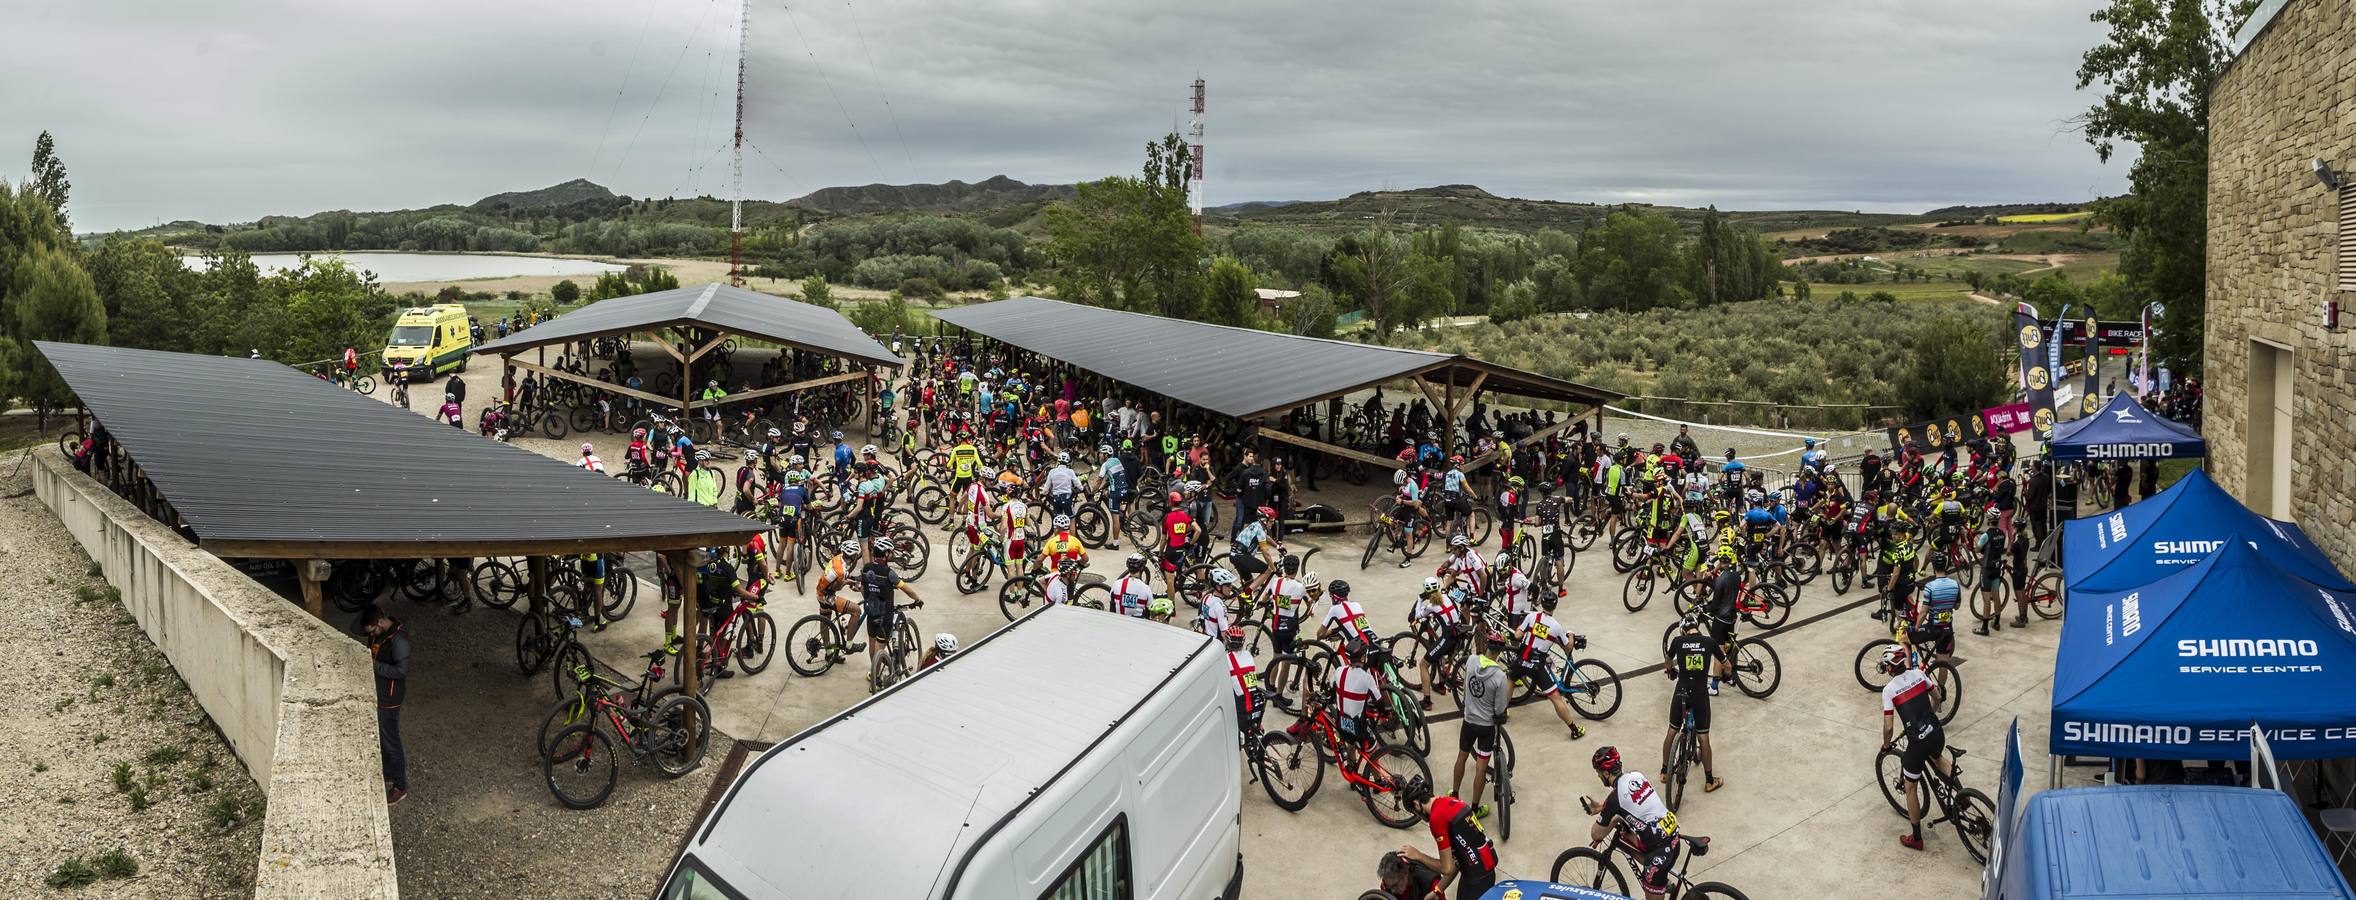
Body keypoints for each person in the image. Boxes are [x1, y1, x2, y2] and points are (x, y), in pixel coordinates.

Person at [1582, 746, 1696, 900]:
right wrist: (1603, 807)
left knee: (1649, 856)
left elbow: (1596, 833)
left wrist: (1611, 817)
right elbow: (1636, 802)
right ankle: (1662, 881)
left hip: (1659, 853)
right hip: (1673, 837)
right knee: (1627, 837)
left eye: (1598, 773)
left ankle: (1658, 879)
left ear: (1606, 773)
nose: (1599, 777)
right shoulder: (1637, 776)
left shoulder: (1615, 799)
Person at [1880, 645, 1952, 851]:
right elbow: (1938, 698)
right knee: (1938, 758)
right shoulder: (1920, 674)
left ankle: (1917, 838)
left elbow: (1889, 727)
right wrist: (1930, 717)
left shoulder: (1889, 690)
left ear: (1889, 668)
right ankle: (1961, 795)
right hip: (1936, 731)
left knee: (1910, 788)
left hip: (1918, 742)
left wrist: (1886, 745)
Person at [1394, 777, 1500, 900]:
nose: (1418, 816)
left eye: (1414, 813)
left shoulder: (1436, 819)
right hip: (1483, 870)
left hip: (1476, 879)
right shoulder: (1452, 801)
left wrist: (1418, 855)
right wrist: (1438, 890)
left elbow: (1446, 868)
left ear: (1416, 804)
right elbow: (1458, 859)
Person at [1509, 593, 1589, 739]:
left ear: (1542, 604)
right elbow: (1568, 647)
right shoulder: (1556, 626)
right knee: (1555, 698)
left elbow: (1517, 636)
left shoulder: (1531, 617)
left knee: (1510, 679)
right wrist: (1570, 634)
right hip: (1538, 665)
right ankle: (1574, 729)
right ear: (1555, 606)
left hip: (1522, 660)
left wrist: (1520, 631)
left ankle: (1501, 713)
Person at [1662, 615, 1727, 795]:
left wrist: (1670, 670)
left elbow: (1667, 660)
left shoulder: (1677, 641)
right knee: (1703, 737)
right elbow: (1726, 664)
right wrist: (1726, 675)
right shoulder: (1710, 642)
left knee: (1672, 730)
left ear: (1683, 629)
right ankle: (1709, 781)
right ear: (1697, 627)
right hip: (1699, 694)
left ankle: (1664, 772)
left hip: (1681, 691)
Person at [1451, 629, 1509, 814]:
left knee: (1462, 756)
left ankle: (1454, 795)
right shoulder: (1499, 676)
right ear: (1499, 652)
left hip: (1468, 721)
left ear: (1486, 646)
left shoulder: (1471, 661)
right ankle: (1475, 808)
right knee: (1481, 768)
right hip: (1486, 727)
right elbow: (1500, 708)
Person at [360, 605, 411, 806]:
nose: (370, 635)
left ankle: (400, 787)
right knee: (383, 737)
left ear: (380, 622)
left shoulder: (400, 641)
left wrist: (374, 666)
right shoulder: (380, 634)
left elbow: (401, 672)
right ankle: (389, 773)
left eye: (372, 631)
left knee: (391, 742)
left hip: (390, 699)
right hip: (379, 694)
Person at [858, 538, 923, 668]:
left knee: (872, 641)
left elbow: (863, 589)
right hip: (885, 613)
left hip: (871, 610)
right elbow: (906, 589)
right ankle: (877, 678)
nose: (892, 554)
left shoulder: (866, 568)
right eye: (891, 552)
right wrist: (917, 599)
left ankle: (873, 672)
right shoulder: (889, 573)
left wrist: (870, 598)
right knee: (880, 644)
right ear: (886, 554)